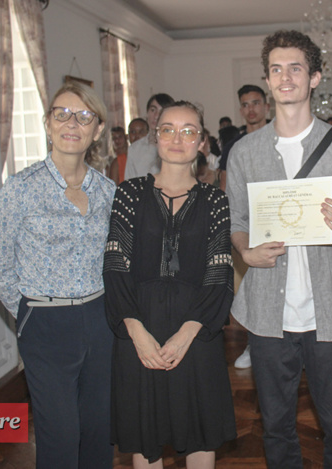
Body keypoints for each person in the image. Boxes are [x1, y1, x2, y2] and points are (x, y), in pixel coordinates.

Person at [226, 30, 332, 468]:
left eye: (295, 68)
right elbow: (237, 221)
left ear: (315, 77)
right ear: (267, 79)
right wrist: (246, 252)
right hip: (268, 312)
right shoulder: (244, 152)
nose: (285, 77)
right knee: (275, 426)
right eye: (276, 69)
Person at [0, 82, 115, 468]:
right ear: (47, 124)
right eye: (62, 114)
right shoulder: (19, 190)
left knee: (98, 428)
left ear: (98, 129)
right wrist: (30, 313)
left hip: (99, 320)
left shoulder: (108, 191)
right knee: (59, 434)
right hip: (44, 322)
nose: (72, 124)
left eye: (84, 116)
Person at [104, 101, 236, 469]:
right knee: (144, 437)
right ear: (155, 137)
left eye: (188, 131)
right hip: (137, 328)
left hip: (197, 330)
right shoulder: (128, 193)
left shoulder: (215, 201)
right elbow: (115, 265)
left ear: (202, 142)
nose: (177, 139)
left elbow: (219, 272)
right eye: (168, 129)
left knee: (199, 432)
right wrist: (136, 332)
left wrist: (186, 334)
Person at [219, 84, 271, 193]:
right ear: (241, 111)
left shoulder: (280, 141)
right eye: (245, 105)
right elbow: (225, 189)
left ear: (266, 107)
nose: (251, 109)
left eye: (255, 103)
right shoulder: (232, 148)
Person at [125, 93, 175, 179]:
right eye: (153, 110)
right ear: (147, 113)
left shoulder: (177, 146)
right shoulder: (135, 149)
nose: (156, 116)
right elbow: (129, 180)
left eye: (161, 111)